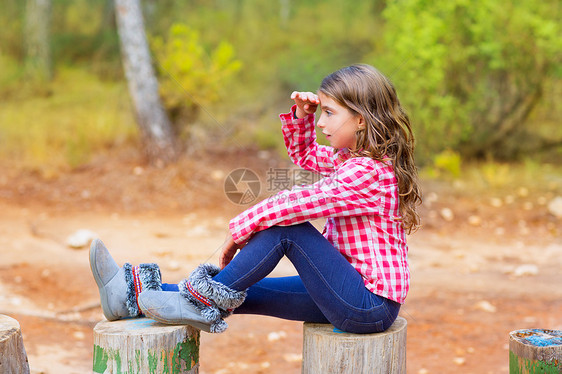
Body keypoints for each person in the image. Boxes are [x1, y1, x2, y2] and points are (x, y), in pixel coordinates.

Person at [90, 64, 422, 334]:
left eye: (329, 113)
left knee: (288, 230)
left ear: (361, 119)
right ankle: (130, 297)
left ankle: (196, 301)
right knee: (241, 290)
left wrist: (239, 230)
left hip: (368, 305)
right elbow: (305, 155)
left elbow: (296, 204)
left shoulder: (368, 172)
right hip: (346, 290)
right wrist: (302, 116)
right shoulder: (350, 159)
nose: (321, 122)